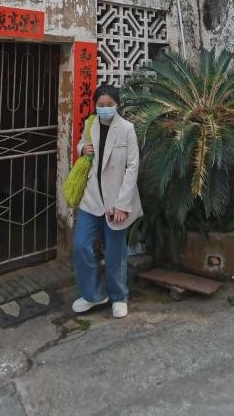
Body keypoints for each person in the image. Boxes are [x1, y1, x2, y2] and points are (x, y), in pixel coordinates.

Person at [72, 83, 143, 319]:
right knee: (81, 245)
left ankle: (119, 296)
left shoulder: (127, 129)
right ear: (95, 105)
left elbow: (133, 167)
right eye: (100, 105)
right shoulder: (90, 124)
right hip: (92, 199)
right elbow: (81, 144)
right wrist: (82, 149)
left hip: (116, 201)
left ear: (117, 104)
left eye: (109, 104)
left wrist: (123, 204)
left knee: (115, 253)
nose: (105, 108)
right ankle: (93, 294)